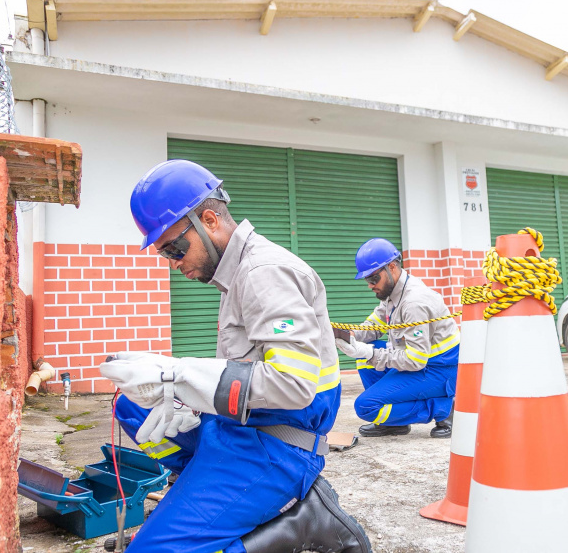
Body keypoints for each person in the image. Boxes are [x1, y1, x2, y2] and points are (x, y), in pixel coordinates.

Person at [99, 159, 371, 553]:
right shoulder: (236, 274)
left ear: (209, 220)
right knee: (131, 405)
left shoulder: (263, 273)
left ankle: (300, 523)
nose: (174, 264)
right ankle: (203, 490)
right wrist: (187, 401)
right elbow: (240, 372)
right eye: (164, 255)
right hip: (242, 427)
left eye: (175, 249)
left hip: (275, 446)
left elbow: (292, 385)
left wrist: (183, 376)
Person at [335, 238, 460, 439]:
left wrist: (370, 353)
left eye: (373, 279)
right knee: (367, 349)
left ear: (391, 267)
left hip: (439, 370)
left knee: (366, 407)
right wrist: (348, 336)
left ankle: (444, 407)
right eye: (367, 280)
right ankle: (394, 424)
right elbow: (373, 327)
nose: (370, 286)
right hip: (423, 364)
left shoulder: (414, 303)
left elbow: (415, 360)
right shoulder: (392, 295)